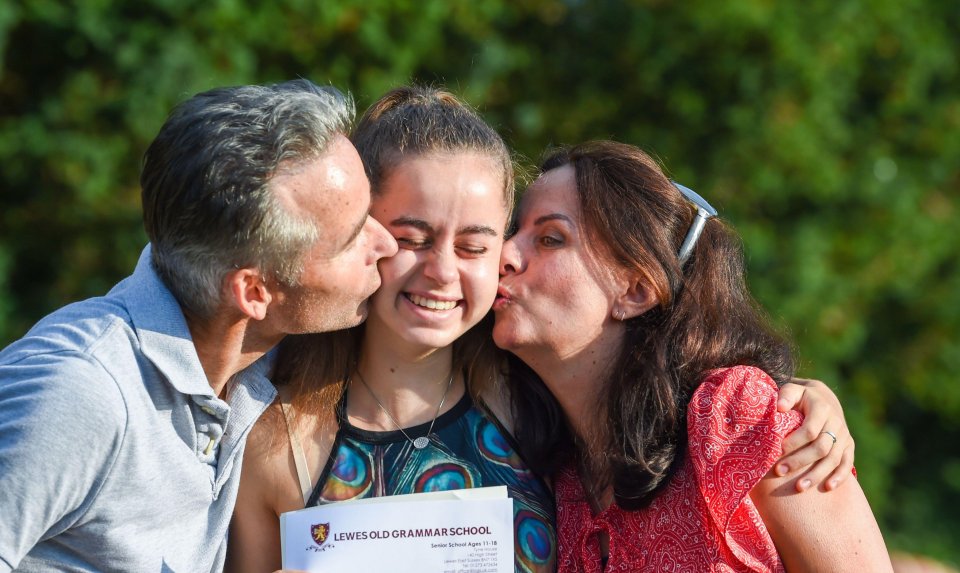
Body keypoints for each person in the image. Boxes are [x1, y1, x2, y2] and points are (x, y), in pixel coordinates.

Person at [229, 88, 856, 573]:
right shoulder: (272, 442)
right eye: (411, 239)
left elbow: (694, 401)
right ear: (364, 235)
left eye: (479, 244)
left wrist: (792, 403)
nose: (462, 267)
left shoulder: (535, 412)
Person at [0, 79, 397, 572]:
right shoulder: (80, 393)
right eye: (353, 236)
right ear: (254, 292)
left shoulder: (258, 360)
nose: (387, 244)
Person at [493, 140, 892, 571]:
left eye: (551, 239)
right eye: (513, 233)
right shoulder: (558, 474)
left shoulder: (735, 416)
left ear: (636, 291)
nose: (504, 254)